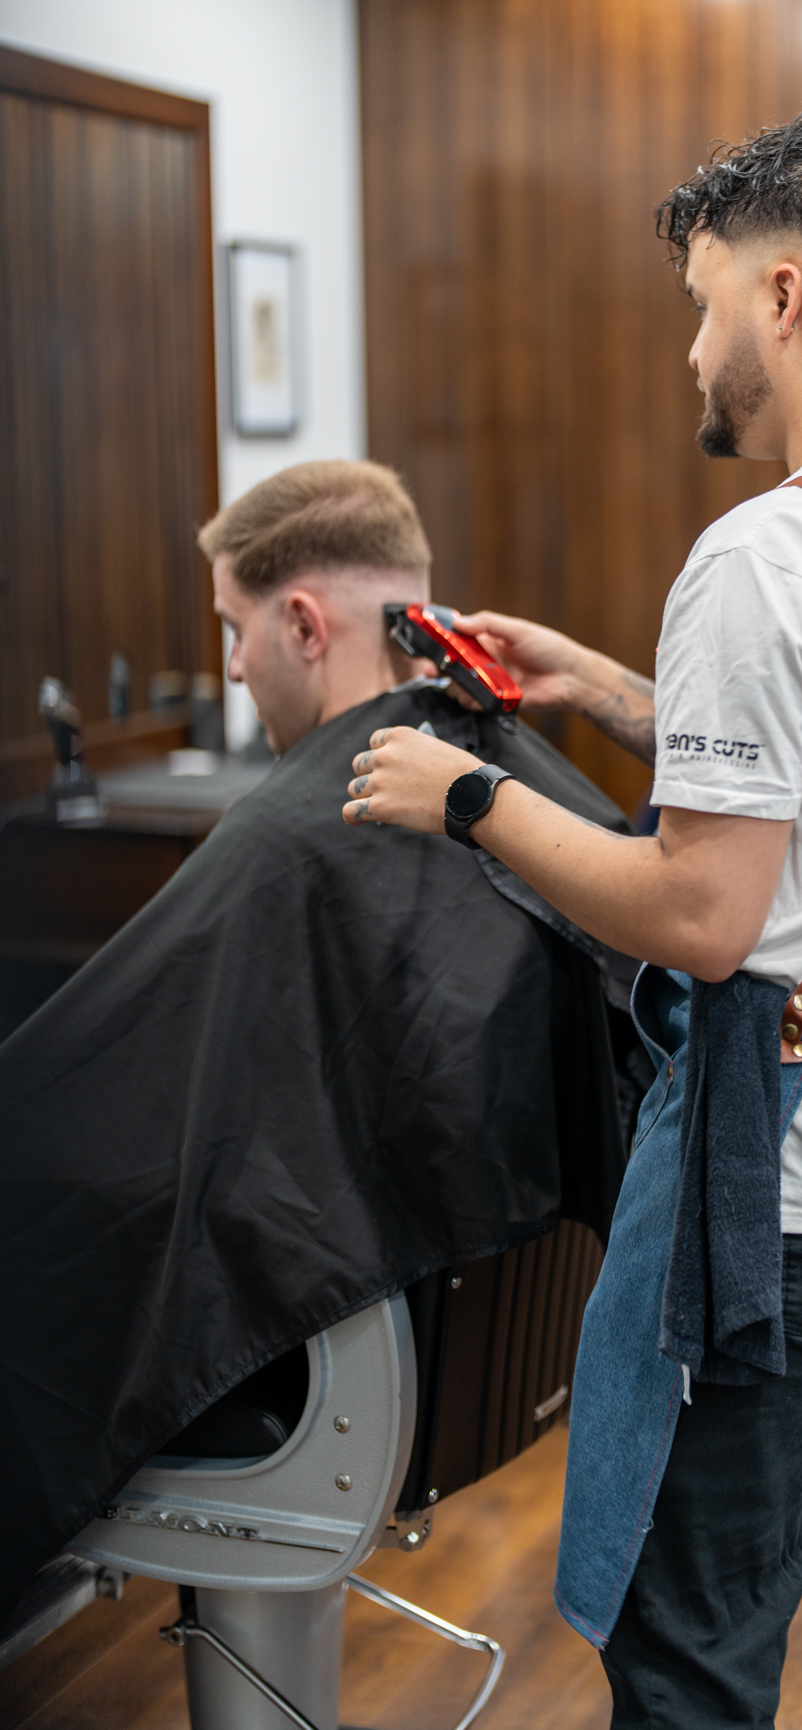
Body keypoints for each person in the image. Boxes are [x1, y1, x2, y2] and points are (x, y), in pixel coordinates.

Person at [341, 111, 802, 1730]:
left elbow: (703, 914)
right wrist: (597, 690)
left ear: (786, 296)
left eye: (704, 300)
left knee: (697, 1644)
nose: (693, 349)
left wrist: (467, 799)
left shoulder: (771, 552)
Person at [0, 459, 637, 1628]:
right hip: (452, 1362)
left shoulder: (305, 838)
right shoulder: (520, 789)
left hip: (316, 1379)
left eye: (235, 631)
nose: (233, 667)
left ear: (302, 621)